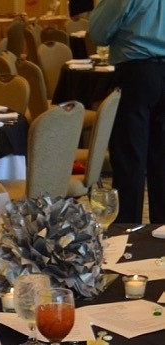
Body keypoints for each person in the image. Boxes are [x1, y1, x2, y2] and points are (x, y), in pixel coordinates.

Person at [88, 0, 165, 224]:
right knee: (162, 160)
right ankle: (161, 240)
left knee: (129, 159)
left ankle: (127, 236)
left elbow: (98, 33)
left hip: (137, 73)